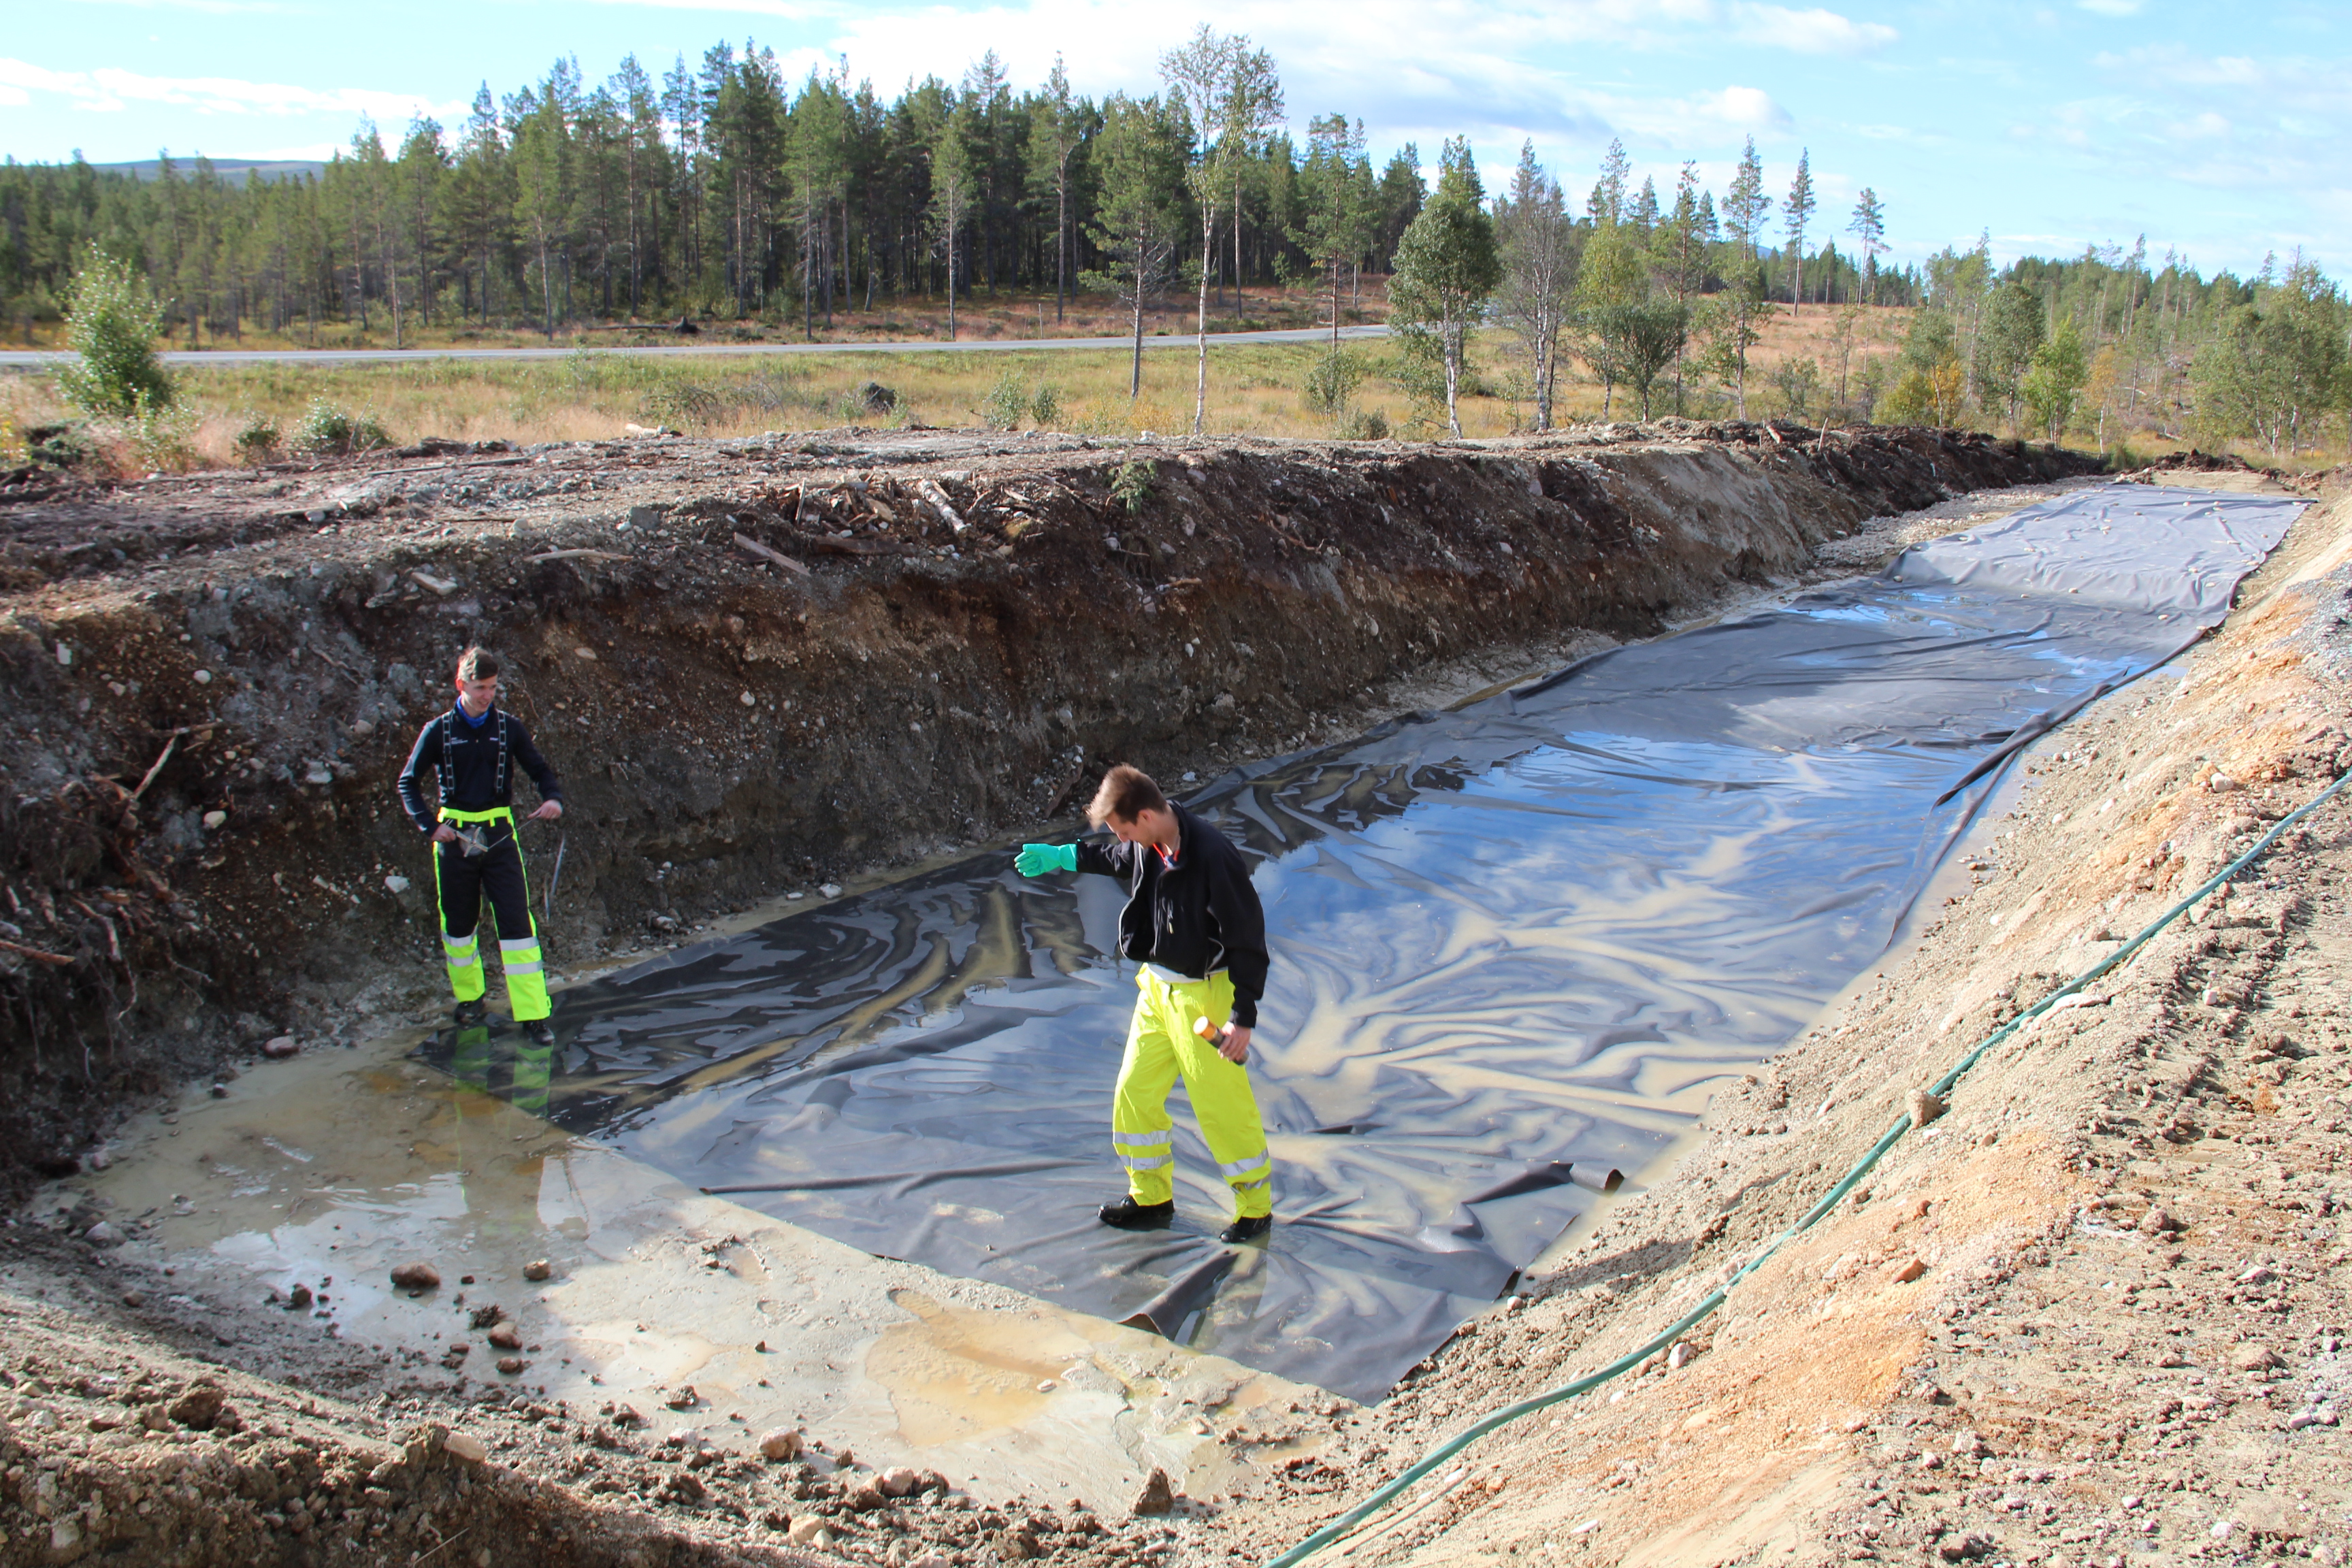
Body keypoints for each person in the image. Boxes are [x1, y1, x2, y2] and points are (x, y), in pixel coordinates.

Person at [1015, 764, 1274, 1244]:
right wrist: (1062, 856)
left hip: (1204, 1001)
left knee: (1222, 1108)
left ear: (1150, 814)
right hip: (1156, 992)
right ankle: (1150, 1196)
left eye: (1123, 828)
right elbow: (1114, 859)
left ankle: (1255, 1208)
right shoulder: (1145, 844)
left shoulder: (1213, 856)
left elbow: (1247, 939)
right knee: (1133, 1094)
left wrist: (1243, 1018)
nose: (1120, 838)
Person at [396, 647, 566, 1044]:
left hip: (500, 837)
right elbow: (408, 782)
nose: (487, 695)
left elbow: (540, 770)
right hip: (454, 838)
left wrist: (552, 798)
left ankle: (533, 1015)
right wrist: (427, 826)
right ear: (461, 685)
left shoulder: (510, 728)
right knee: (458, 926)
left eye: (492, 687)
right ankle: (470, 999)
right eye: (479, 688)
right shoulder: (437, 730)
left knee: (518, 926)